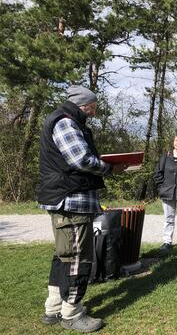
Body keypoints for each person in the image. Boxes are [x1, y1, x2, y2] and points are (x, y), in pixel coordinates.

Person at [37, 85, 126, 332]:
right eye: (93, 106)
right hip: (70, 199)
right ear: (83, 105)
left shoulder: (66, 121)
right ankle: (72, 313)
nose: (95, 110)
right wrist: (110, 167)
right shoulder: (66, 123)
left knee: (62, 255)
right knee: (77, 258)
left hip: (67, 198)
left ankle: (53, 308)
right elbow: (80, 160)